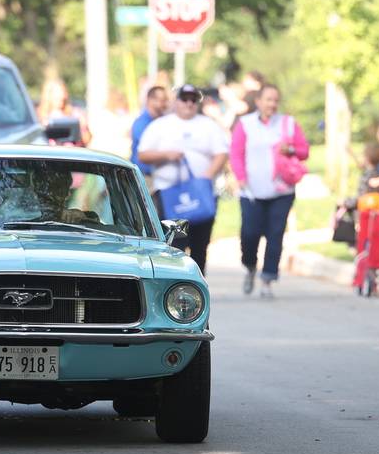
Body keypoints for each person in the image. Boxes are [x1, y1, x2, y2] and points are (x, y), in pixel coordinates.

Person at [137, 84, 229, 274]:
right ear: (176, 101)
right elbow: (143, 154)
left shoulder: (208, 124)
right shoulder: (160, 125)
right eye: (184, 99)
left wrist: (207, 176)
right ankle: (175, 286)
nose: (189, 103)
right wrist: (167, 155)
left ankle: (196, 285)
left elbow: (221, 153)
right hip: (170, 193)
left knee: (200, 245)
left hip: (201, 192)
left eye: (193, 99)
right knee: (173, 246)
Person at [230, 83, 309, 298]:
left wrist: (290, 149)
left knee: (275, 234)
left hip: (282, 190)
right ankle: (250, 265)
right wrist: (241, 178)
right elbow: (236, 154)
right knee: (249, 233)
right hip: (251, 191)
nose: (272, 104)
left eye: (275, 100)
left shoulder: (288, 123)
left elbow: (304, 151)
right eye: (268, 99)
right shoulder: (245, 124)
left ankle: (267, 278)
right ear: (258, 101)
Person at [130, 86, 168, 187]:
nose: (165, 104)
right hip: (144, 177)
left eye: (165, 100)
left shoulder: (163, 121)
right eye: (162, 100)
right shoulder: (142, 123)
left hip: (157, 177)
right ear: (150, 100)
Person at [37, 78, 91, 147]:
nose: (61, 97)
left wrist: (83, 127)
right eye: (57, 94)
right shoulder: (40, 116)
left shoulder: (75, 114)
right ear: (48, 96)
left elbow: (87, 139)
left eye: (62, 93)